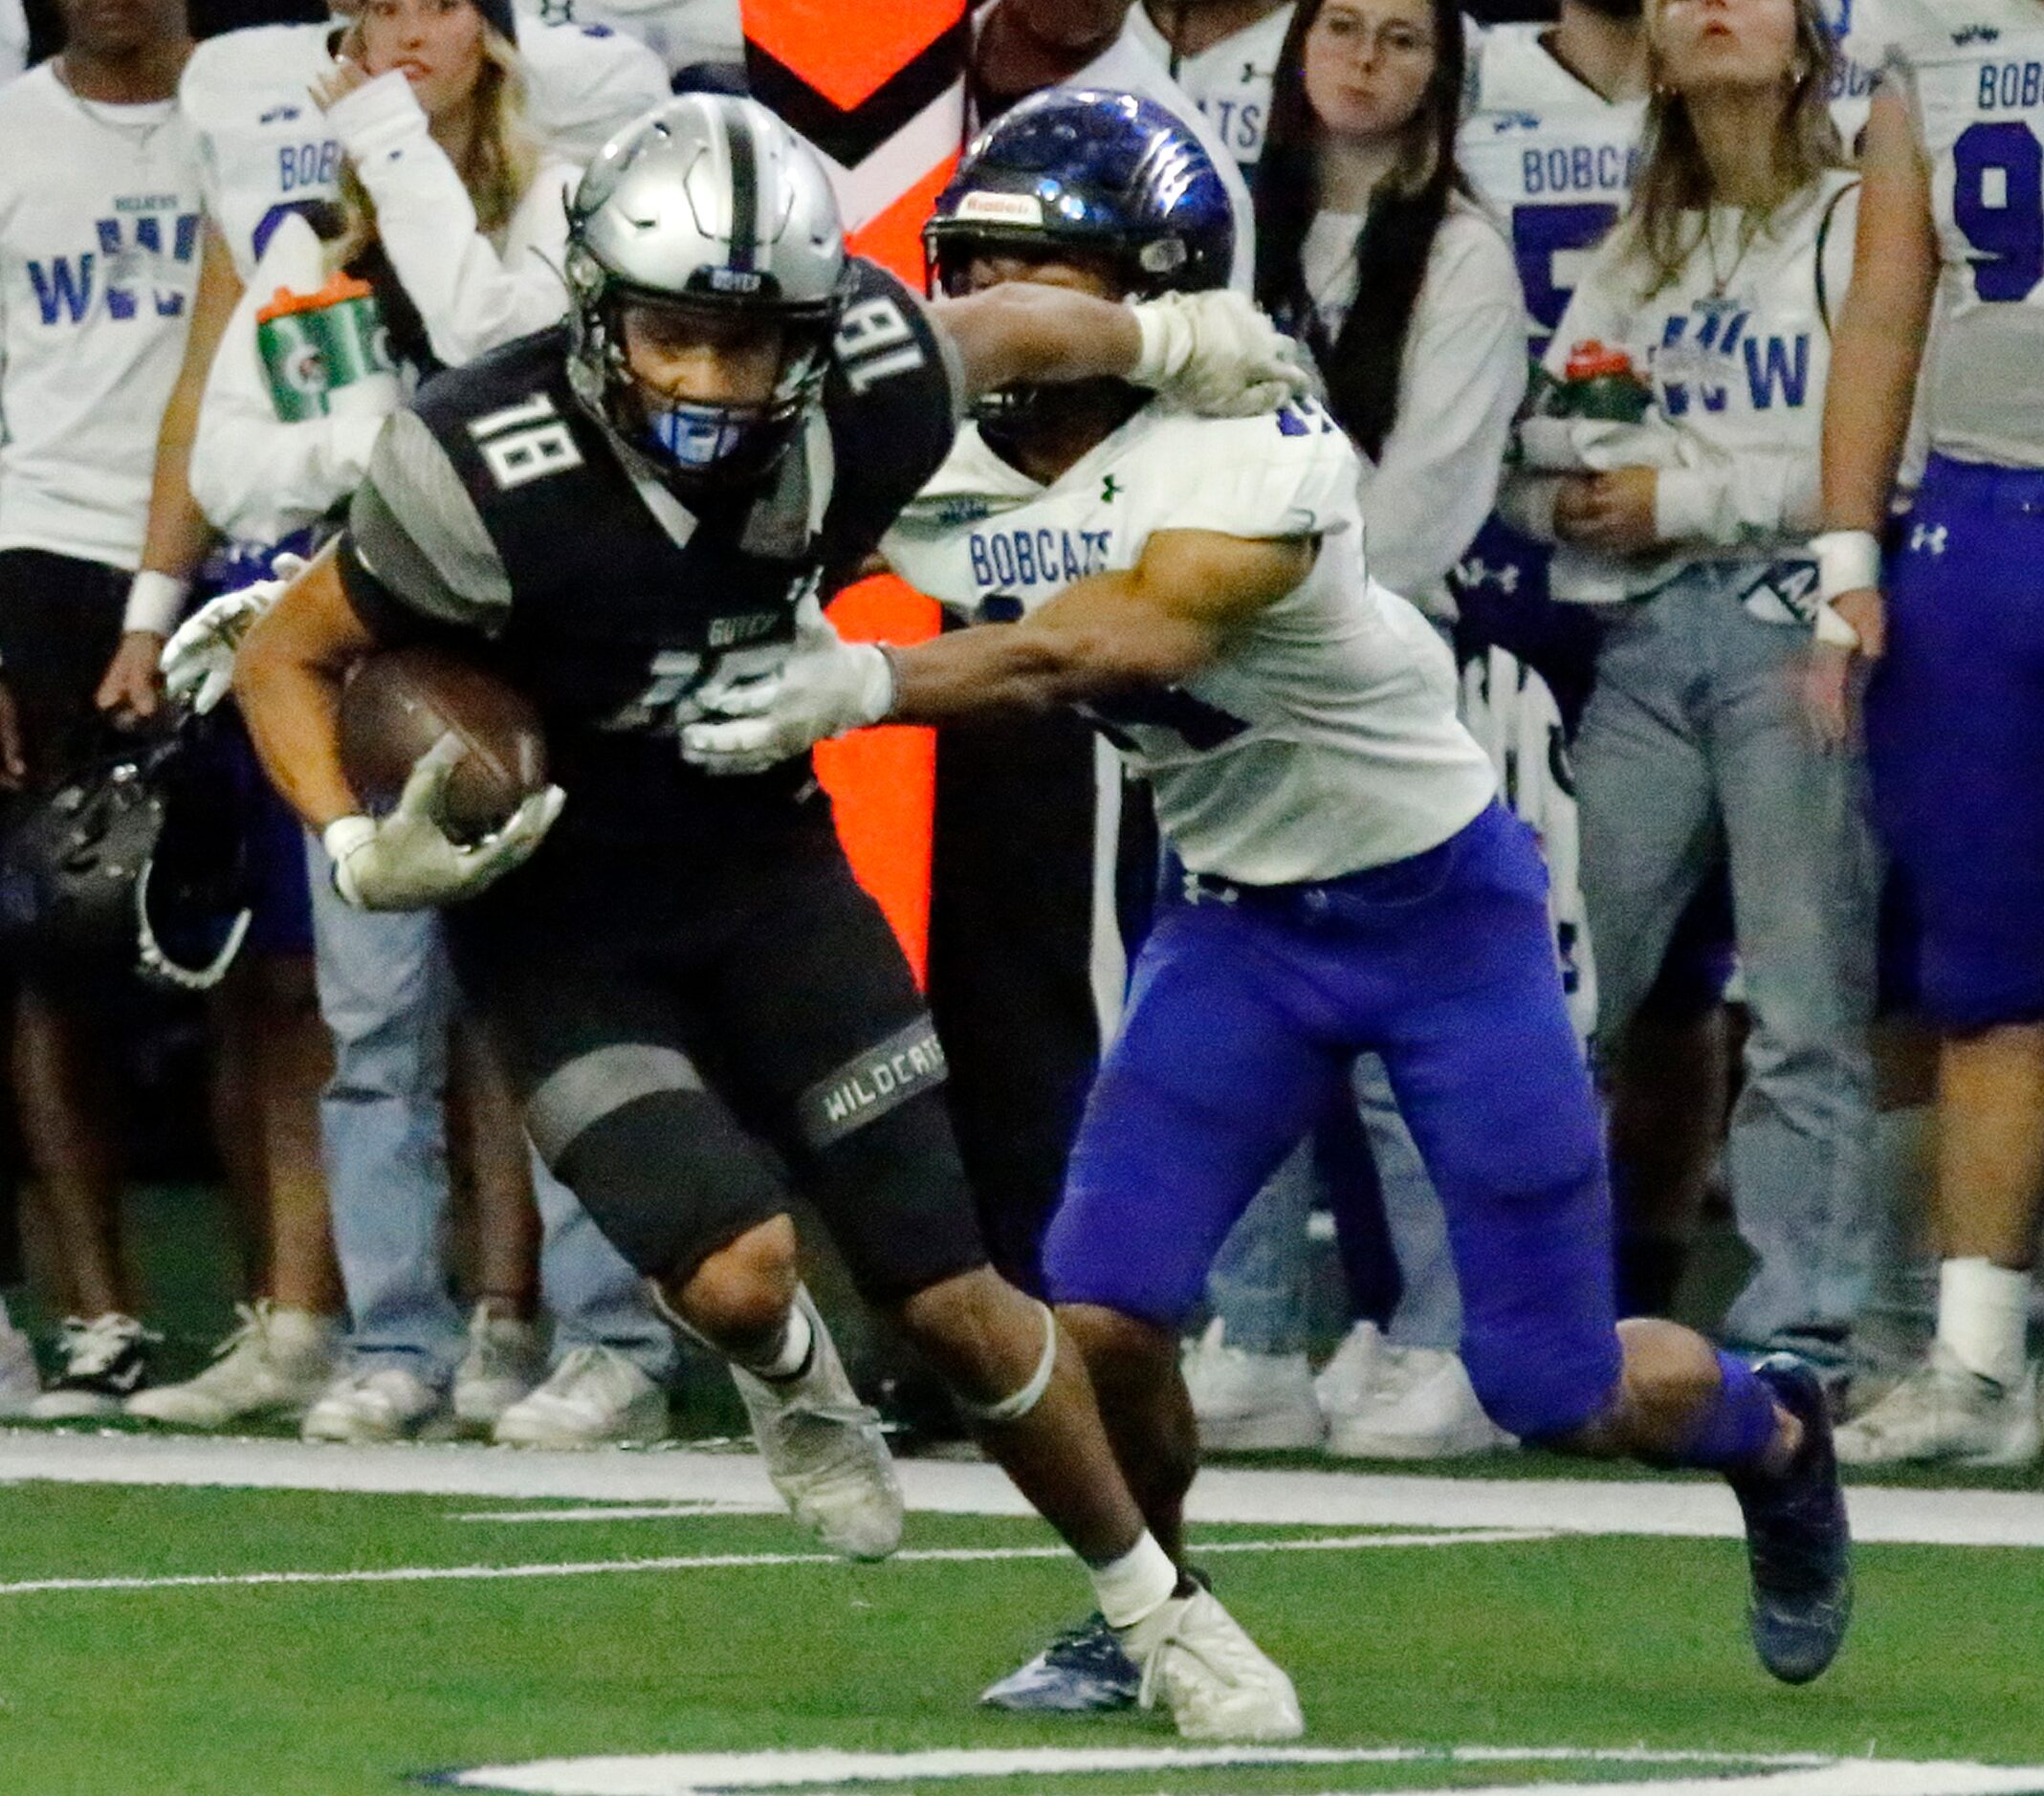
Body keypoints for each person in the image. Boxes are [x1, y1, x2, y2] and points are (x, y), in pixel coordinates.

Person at [679, 89, 1854, 1697]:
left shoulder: (1253, 434)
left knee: (1545, 1380)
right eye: (974, 271)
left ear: (1151, 296)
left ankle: (1770, 1424)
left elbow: (1115, 641)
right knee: (1095, 1317)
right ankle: (1153, 1604)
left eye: (1041, 282)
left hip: (1439, 914)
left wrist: (862, 678)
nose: (991, 319)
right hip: (1234, 917)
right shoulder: (936, 458)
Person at [217, 91, 1314, 1740]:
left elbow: (1000, 325)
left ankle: (1162, 1610)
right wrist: (358, 844)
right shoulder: (474, 462)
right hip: (561, 908)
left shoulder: (861, 375)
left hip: (764, 868)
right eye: (678, 334)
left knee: (950, 1290)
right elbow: (286, 655)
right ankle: (790, 1376)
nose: (718, 381)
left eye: (756, 341)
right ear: (596, 312)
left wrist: (1168, 336)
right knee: (739, 1275)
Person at [147, 0, 679, 1447]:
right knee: (373, 1023)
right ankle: (395, 1336)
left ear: (494, 35)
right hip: (370, 653)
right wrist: (383, 448)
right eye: (373, 11)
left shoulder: (567, 206)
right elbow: (238, 464)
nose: (403, 34)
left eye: (435, 4)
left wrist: (407, 443)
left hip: (542, 651)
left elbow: (498, 335)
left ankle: (608, 1338)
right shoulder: (310, 244)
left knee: (563, 1005)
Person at [1501, 0, 1879, 1389]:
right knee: (1562, 989)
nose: (1712, 4)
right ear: (1653, 45)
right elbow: (1534, 461)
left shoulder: (1852, 222)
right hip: (1644, 639)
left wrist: (1682, 492)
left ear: (1806, 39)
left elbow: (1876, 461)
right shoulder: (1632, 246)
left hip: (1798, 632)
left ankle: (1804, 1326)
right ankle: (1521, 1309)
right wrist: (1575, 498)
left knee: (1799, 997)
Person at [1187, 0, 1528, 1466]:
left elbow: (1424, 510)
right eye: (1343, 26)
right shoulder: (1220, 237)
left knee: (1406, 1034)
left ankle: (1459, 1338)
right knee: (1225, 1010)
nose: (1367, 60)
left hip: (1376, 671)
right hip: (1213, 674)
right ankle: (1253, 1331)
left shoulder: (1459, 252)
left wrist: (1255, 601)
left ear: (1443, 74)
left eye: (1403, 38)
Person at [1807, 0, 2044, 1466]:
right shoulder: (1925, 26)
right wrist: (1845, 562)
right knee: (1984, 972)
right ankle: (1974, 1356)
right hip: (1982, 517)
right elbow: (1886, 295)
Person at [0, 0, 203, 1413]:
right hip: (47, 546)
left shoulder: (261, 110)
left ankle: (320, 1313)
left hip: (247, 539)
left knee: (287, 973)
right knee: (40, 946)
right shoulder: (9, 132)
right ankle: (97, 1313)